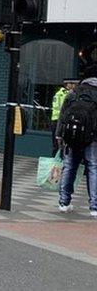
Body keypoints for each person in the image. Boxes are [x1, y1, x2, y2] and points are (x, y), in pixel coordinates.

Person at [56, 65, 97, 217]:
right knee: (93, 168)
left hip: (72, 136)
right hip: (93, 138)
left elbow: (62, 115)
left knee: (70, 166)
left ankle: (64, 203)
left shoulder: (74, 92)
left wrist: (59, 135)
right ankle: (94, 207)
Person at [51, 79, 77, 155]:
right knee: (57, 144)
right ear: (66, 85)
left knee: (62, 144)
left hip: (62, 120)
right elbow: (61, 108)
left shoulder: (68, 93)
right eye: (71, 83)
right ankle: (56, 161)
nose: (73, 85)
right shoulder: (62, 94)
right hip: (58, 120)